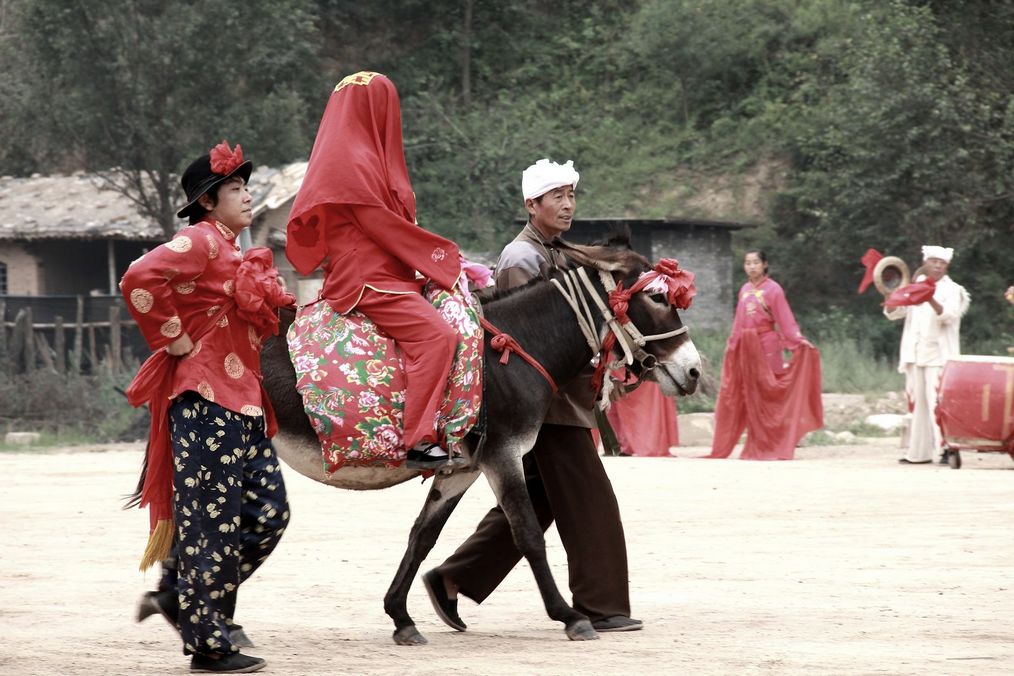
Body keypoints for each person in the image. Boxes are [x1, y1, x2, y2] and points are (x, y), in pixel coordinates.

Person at [421, 158, 642, 634]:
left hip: (560, 400)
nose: (567, 204)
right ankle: (602, 606)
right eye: (556, 197)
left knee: (534, 501)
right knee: (588, 498)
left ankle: (453, 578)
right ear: (531, 204)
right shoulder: (523, 257)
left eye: (571, 195)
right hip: (546, 406)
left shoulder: (557, 250)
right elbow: (531, 342)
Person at [121, 141, 293, 673]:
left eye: (245, 187)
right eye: (236, 189)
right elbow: (138, 278)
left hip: (241, 403)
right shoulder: (198, 240)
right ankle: (207, 643)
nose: (247, 196)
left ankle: (186, 599)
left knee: (269, 514)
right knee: (210, 527)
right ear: (209, 201)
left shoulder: (233, 249)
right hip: (203, 401)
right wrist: (172, 338)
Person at [285, 71, 463, 471]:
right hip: (369, 277)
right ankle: (419, 440)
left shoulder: (353, 155)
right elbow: (383, 226)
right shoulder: (354, 161)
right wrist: (443, 257)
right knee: (437, 336)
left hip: (382, 269)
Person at [707, 250, 823, 460]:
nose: (751, 266)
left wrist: (797, 341)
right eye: (748, 263)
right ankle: (758, 442)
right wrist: (732, 345)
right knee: (751, 394)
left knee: (769, 392)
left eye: (756, 262)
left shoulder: (773, 289)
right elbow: (738, 322)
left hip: (767, 345)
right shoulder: (744, 290)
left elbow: (785, 319)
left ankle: (776, 442)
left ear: (765, 265)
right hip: (746, 347)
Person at [884, 245, 970, 465]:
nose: (937, 266)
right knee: (918, 405)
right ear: (926, 263)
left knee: (937, 404)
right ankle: (918, 453)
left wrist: (929, 297)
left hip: (939, 355)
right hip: (915, 353)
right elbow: (895, 313)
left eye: (941, 263)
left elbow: (948, 317)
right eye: (933, 262)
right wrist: (893, 297)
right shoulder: (914, 286)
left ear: (947, 266)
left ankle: (946, 449)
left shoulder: (954, 290)